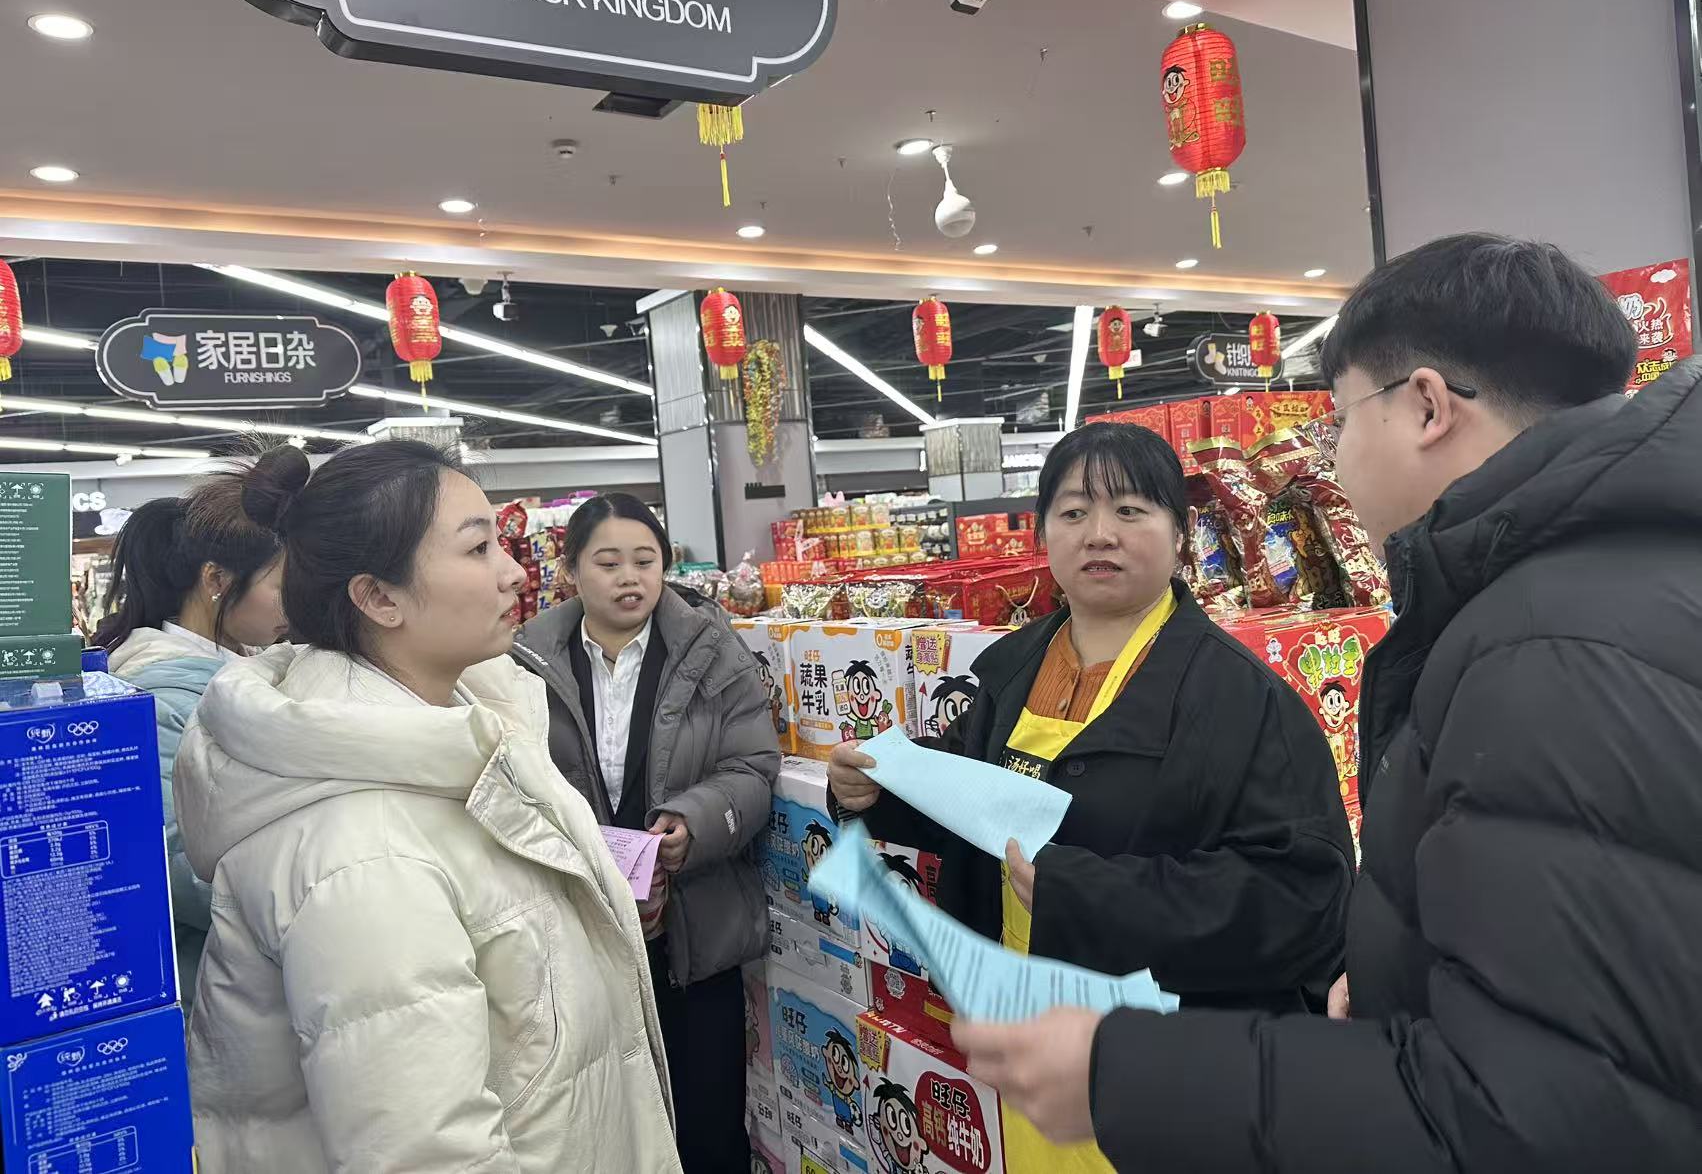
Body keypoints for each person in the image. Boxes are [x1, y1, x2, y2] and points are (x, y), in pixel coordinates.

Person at [953, 234, 1702, 1172]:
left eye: (1340, 419)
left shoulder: (1543, 651)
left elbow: (1541, 1116)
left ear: (1425, 406)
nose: (1333, 457)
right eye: (1071, 514)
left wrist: (1126, 1069)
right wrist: (1400, 990)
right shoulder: (1592, 593)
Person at [830, 421, 1354, 1174]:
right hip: (1027, 1038)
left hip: (1167, 1066)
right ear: (1044, 534)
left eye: (1131, 510)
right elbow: (980, 799)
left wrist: (1087, 894)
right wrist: (879, 790)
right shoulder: (1012, 670)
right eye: (1073, 512)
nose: (1099, 533)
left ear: (1180, 536)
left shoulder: (1243, 699)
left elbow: (1302, 900)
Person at [173, 444, 680, 1174]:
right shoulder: (362, 856)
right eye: (477, 548)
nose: (513, 571)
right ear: (379, 598)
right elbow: (425, 1152)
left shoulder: (470, 737)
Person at [511, 493, 778, 1174]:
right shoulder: (525, 661)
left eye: (645, 560)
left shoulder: (713, 651)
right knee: (609, 1121)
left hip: (694, 931)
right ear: (570, 570)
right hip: (581, 928)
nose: (629, 578)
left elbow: (752, 766)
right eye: (608, 563)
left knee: (708, 1121)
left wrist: (695, 821)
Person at [91, 481, 289, 1003]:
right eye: (281, 583)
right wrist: (302, 898)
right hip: (211, 984)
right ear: (217, 580)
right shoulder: (160, 700)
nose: (293, 601)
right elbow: (173, 866)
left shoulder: (252, 674)